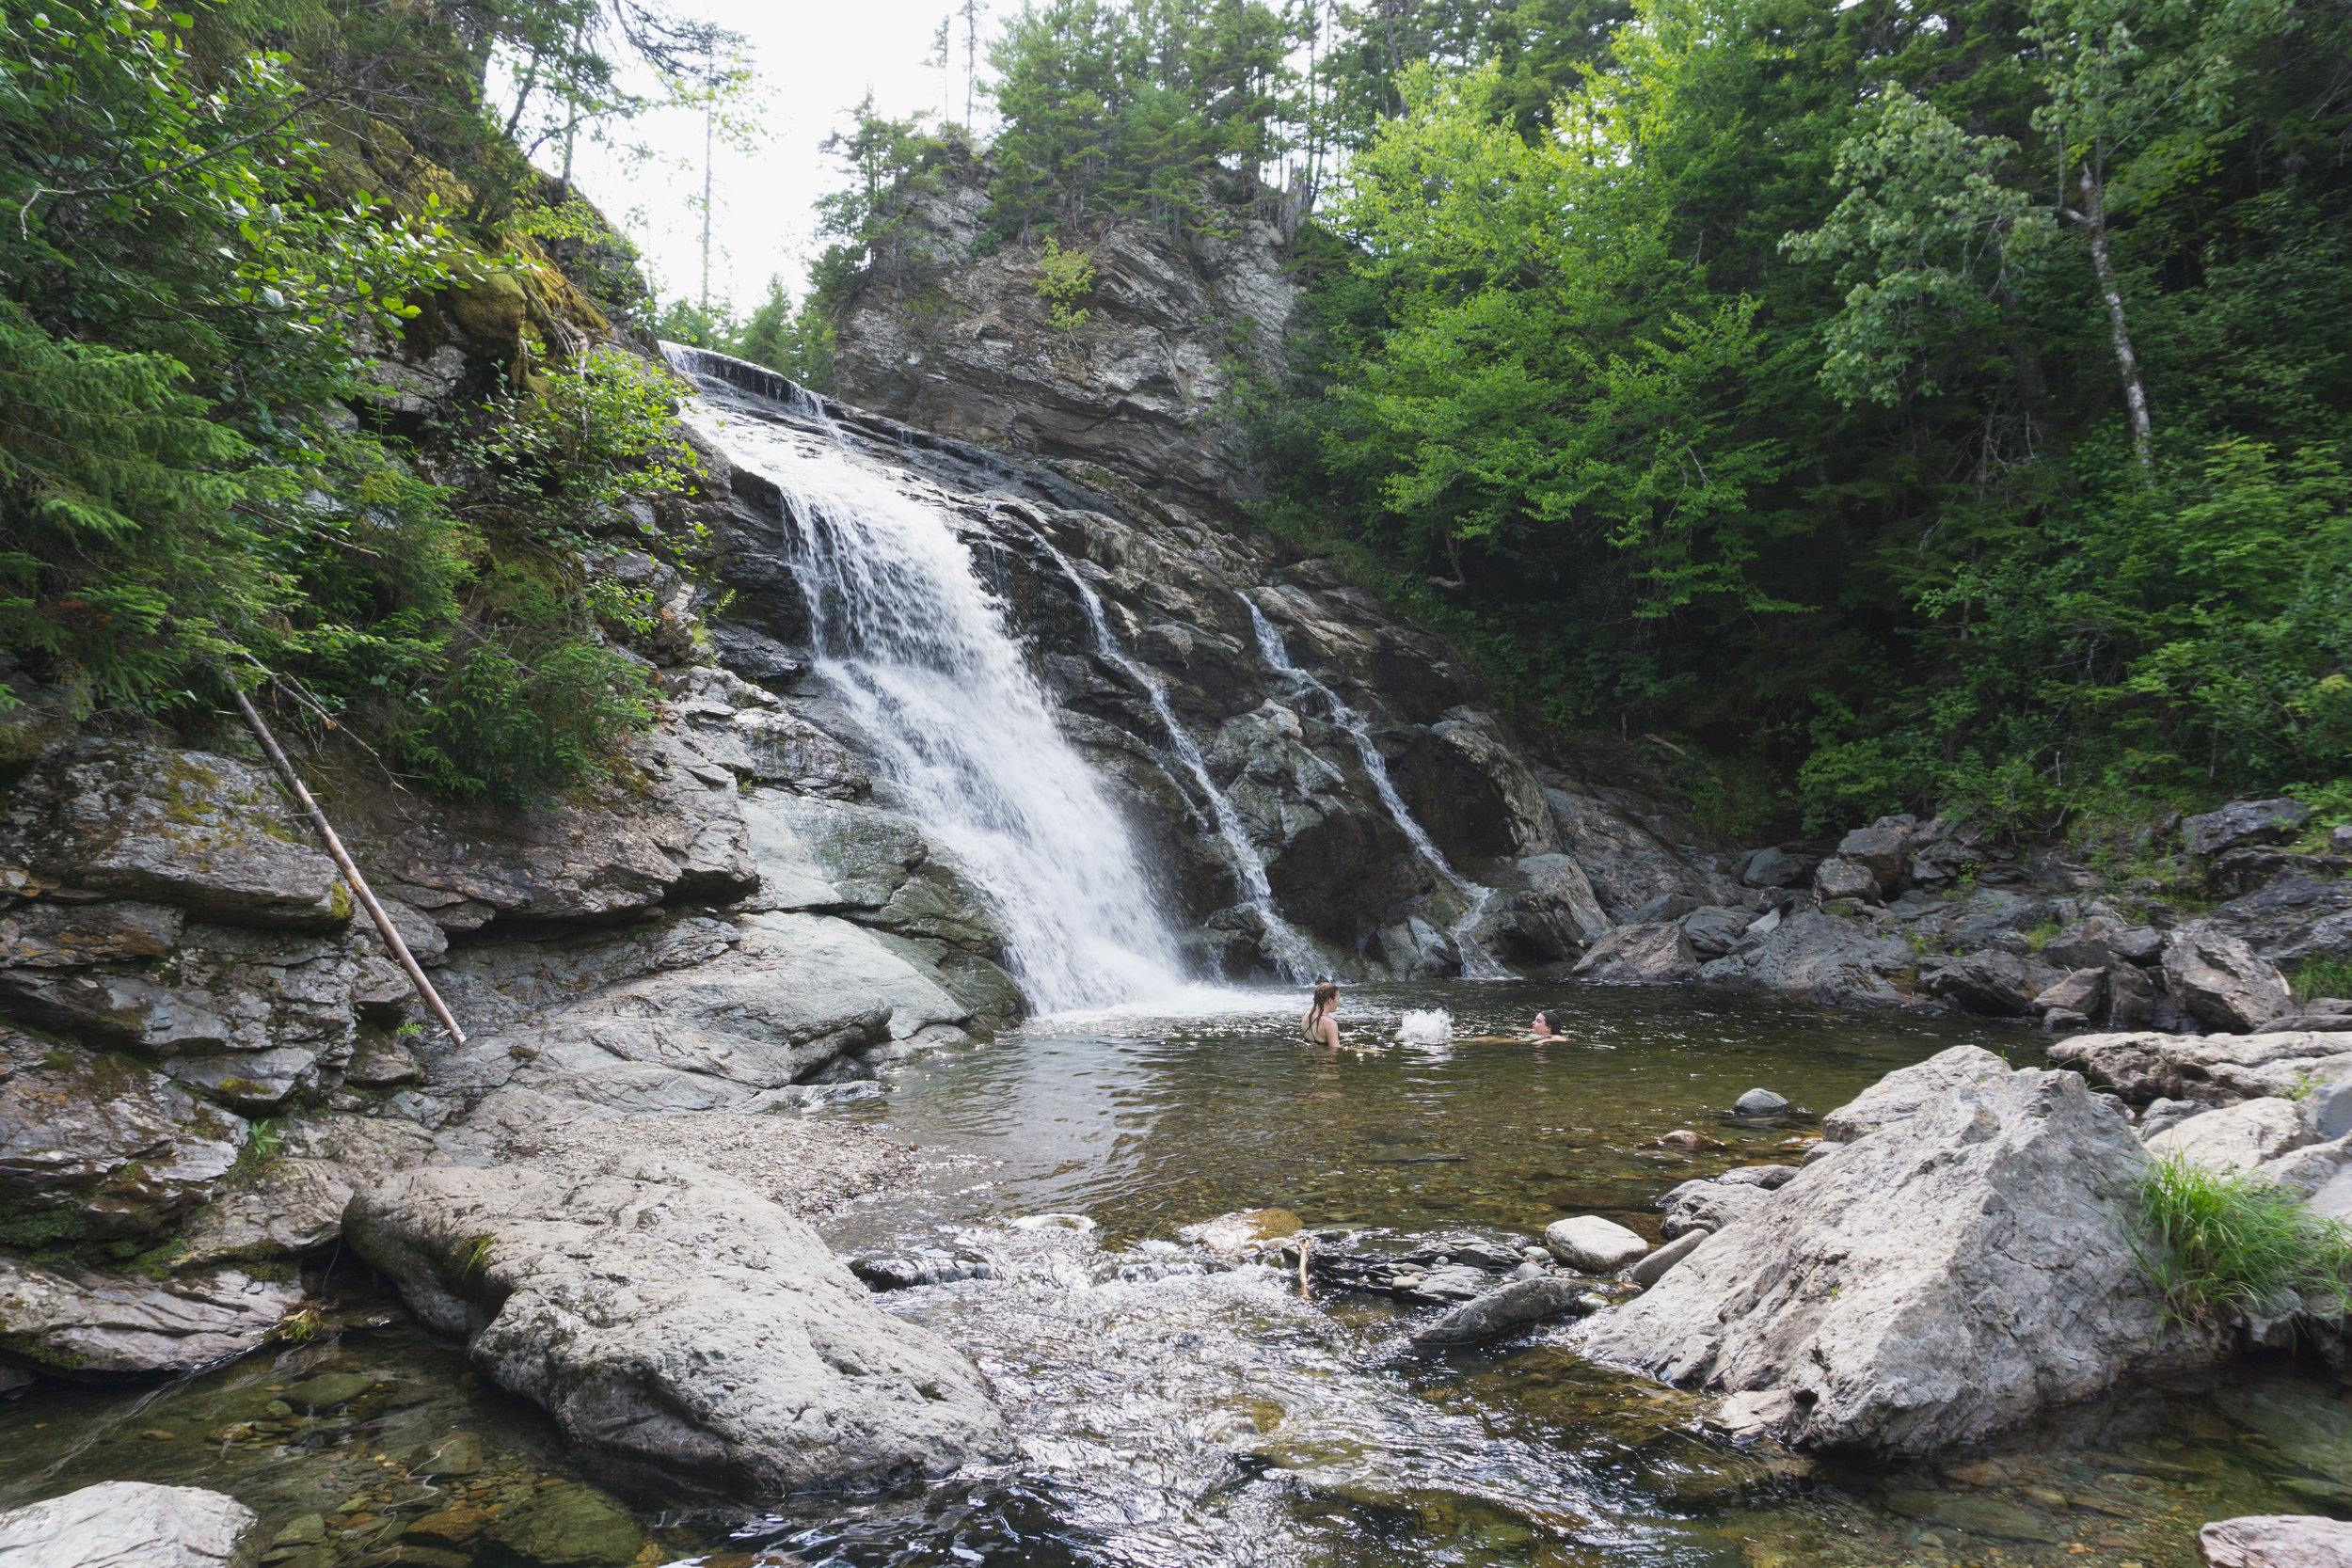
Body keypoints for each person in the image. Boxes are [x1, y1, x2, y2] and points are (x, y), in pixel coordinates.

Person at [1301, 980, 1343, 1049]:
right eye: (1338, 999)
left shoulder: (1307, 1015)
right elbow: (1335, 1050)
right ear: (1330, 1000)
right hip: (1323, 1058)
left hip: (1306, 1057)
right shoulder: (1330, 1024)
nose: (1339, 1003)